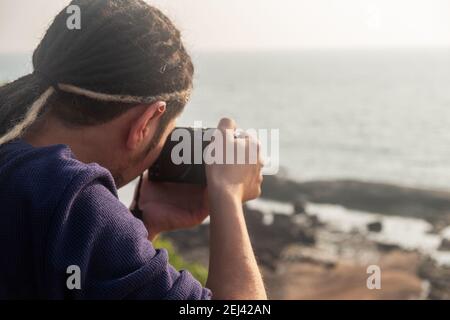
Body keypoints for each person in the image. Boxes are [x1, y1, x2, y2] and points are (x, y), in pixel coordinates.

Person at [0, 0, 266, 300]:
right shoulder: (73, 201)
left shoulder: (28, 176)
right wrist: (227, 193)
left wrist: (140, 224)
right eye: (166, 134)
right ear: (146, 121)